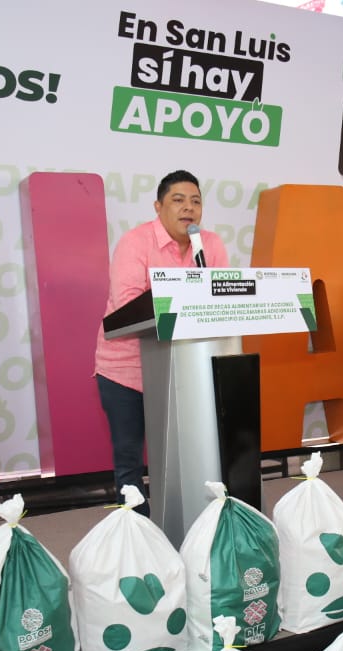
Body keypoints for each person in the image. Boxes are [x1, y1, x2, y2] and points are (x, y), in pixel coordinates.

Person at [94, 169, 228, 513]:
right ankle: (139, 538)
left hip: (185, 369)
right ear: (158, 206)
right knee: (130, 459)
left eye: (196, 201)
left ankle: (192, 526)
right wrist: (182, 296)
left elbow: (223, 300)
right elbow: (127, 306)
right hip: (127, 371)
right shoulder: (135, 242)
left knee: (187, 456)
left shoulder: (209, 244)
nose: (189, 209)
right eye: (178, 200)